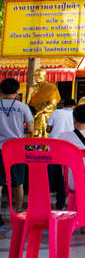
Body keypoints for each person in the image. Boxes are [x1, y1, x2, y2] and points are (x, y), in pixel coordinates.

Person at [0, 78, 34, 226]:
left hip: (0, 148)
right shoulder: (22, 107)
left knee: (0, 182)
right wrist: (21, 130)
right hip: (17, 148)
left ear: (1, 91)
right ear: (17, 91)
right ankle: (19, 212)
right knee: (18, 181)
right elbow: (31, 130)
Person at [46, 99, 76, 209]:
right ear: (74, 106)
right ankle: (60, 204)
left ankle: (45, 201)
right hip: (67, 147)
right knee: (63, 176)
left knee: (49, 174)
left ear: (63, 105)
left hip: (53, 146)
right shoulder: (75, 115)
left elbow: (48, 129)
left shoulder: (55, 112)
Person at [26, 69, 61, 137]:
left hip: (45, 113)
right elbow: (28, 103)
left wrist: (39, 112)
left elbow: (52, 104)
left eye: (39, 75)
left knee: (42, 118)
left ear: (45, 76)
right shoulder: (32, 88)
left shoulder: (51, 87)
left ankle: (42, 142)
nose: (36, 77)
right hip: (33, 112)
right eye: (35, 75)